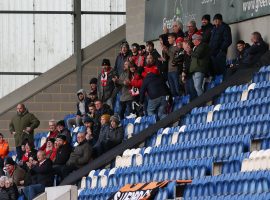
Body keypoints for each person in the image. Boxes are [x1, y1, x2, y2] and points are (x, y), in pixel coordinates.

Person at [163, 33, 181, 97]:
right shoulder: (170, 47)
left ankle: (181, 100)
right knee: (172, 89)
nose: (168, 40)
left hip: (175, 70)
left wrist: (166, 50)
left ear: (174, 38)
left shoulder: (177, 47)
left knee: (177, 87)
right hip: (169, 71)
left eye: (169, 38)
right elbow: (169, 57)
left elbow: (173, 56)